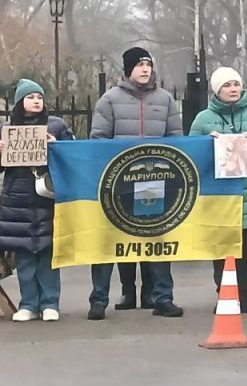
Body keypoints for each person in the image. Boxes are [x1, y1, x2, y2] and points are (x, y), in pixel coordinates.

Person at [89, 47, 184, 320]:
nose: (145, 69)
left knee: (157, 238)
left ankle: (162, 297)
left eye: (148, 64)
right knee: (109, 241)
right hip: (118, 183)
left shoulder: (165, 99)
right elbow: (98, 140)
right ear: (128, 69)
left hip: (154, 181)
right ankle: (98, 300)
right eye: (140, 64)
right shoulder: (109, 100)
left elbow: (176, 139)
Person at [189, 67, 247, 314]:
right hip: (217, 191)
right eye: (227, 85)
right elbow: (190, 155)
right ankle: (224, 294)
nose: (233, 89)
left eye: (236, 84)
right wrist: (208, 144)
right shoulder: (203, 119)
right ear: (217, 90)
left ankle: (244, 295)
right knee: (221, 246)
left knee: (244, 247)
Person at [0, 80, 74, 322]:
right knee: (24, 256)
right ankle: (28, 304)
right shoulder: (7, 129)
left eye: (39, 97)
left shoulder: (56, 126)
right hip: (17, 200)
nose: (36, 101)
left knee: (48, 253)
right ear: (20, 102)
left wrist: (58, 147)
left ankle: (50, 302)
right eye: (30, 97)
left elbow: (74, 156)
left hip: (48, 197)